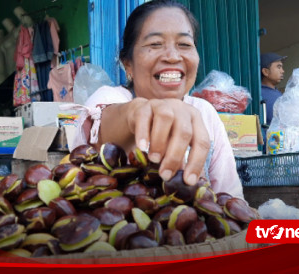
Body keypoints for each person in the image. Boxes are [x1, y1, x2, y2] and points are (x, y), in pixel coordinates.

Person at [74, 0, 243, 198]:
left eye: (184, 44)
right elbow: (102, 127)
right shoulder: (110, 97)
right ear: (128, 65)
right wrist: (137, 114)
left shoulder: (205, 112)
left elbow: (229, 197)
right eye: (155, 44)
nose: (172, 56)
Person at [260, 52, 286, 126]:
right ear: (265, 72)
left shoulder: (277, 93)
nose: (282, 71)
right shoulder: (260, 94)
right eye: (278, 67)